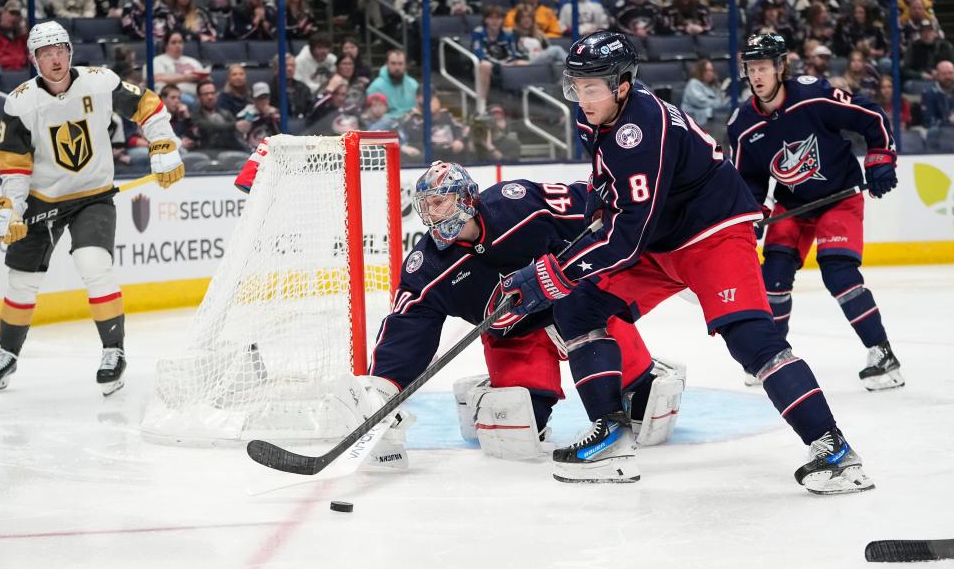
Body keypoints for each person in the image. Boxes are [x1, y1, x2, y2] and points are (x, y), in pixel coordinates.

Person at [501, 30, 875, 493]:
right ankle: (612, 437)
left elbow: (627, 235)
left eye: (592, 86)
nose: (581, 96)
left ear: (622, 85)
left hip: (710, 231)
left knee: (752, 339)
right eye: (575, 85)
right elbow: (611, 189)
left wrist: (551, 274)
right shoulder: (592, 115)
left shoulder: (642, 129)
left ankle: (834, 450)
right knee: (577, 311)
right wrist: (594, 212)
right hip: (660, 239)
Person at [240, 157, 682, 465]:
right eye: (426, 206)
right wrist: (383, 386)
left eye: (441, 202)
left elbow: (591, 206)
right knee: (515, 429)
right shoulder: (428, 265)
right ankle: (488, 388)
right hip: (514, 337)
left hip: (581, 313)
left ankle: (648, 373)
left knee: (648, 412)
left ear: (467, 197)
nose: (433, 215)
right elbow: (406, 325)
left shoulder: (517, 204)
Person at [0, 21, 184, 395]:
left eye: (60, 50)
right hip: (42, 199)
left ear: (69, 51)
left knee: (94, 264)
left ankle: (114, 351)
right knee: (22, 281)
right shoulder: (20, 102)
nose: (55, 59)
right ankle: (7, 355)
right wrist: (10, 210)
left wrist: (164, 144)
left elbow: (148, 105)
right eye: (45, 53)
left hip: (92, 195)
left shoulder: (99, 82)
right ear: (34, 60)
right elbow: (15, 168)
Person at [727, 33, 903, 393]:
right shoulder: (742, 125)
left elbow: (871, 116)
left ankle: (882, 353)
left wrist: (881, 156)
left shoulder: (814, 95)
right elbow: (750, 179)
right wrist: (753, 213)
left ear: (780, 67)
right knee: (772, 276)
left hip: (840, 197)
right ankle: (773, 356)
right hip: (793, 205)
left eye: (763, 67)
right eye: (751, 68)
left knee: (838, 272)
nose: (757, 75)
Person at [153, 30, 209, 103]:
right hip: (177, 97)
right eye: (174, 42)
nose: (178, 45)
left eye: (180, 42)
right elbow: (157, 78)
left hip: (199, 94)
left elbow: (207, 80)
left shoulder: (193, 61)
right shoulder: (157, 61)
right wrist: (185, 78)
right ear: (166, 45)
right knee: (190, 101)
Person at [192, 78, 249, 150]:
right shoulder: (195, 116)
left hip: (229, 151)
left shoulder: (226, 114)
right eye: (206, 94)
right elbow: (210, 126)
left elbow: (236, 134)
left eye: (212, 93)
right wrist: (234, 125)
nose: (210, 97)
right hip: (207, 152)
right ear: (199, 97)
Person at [366, 49, 419, 118]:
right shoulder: (376, 87)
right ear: (387, 64)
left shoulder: (413, 85)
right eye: (393, 63)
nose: (397, 67)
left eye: (400, 64)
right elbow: (372, 116)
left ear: (405, 65)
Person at [681, 58, 730, 125]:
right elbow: (701, 102)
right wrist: (719, 104)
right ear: (700, 71)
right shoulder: (693, 83)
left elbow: (721, 100)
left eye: (711, 71)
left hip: (710, 120)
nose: (710, 73)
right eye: (707, 70)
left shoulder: (713, 86)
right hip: (694, 122)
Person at [0, 0, 29, 71]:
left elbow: (31, 57)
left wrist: (25, 37)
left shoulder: (21, 35)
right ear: (3, 13)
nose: (14, 17)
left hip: (21, 74)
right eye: (12, 13)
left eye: (17, 14)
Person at [921, 60, 954, 129]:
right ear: (937, 75)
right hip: (940, 134)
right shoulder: (928, 93)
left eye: (950, 73)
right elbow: (929, 121)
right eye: (944, 74)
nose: (948, 77)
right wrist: (948, 121)